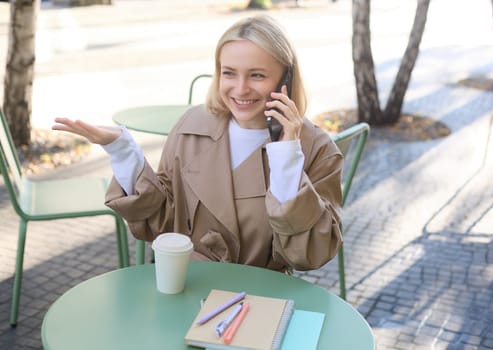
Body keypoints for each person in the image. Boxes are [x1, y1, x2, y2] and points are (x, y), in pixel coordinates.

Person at [53, 15, 343, 272]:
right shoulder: (190, 127)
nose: (240, 89)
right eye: (229, 73)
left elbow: (310, 255)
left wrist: (286, 154)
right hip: (186, 282)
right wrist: (122, 150)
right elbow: (161, 222)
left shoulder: (316, 149)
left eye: (257, 75)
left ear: (286, 78)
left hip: (260, 297)